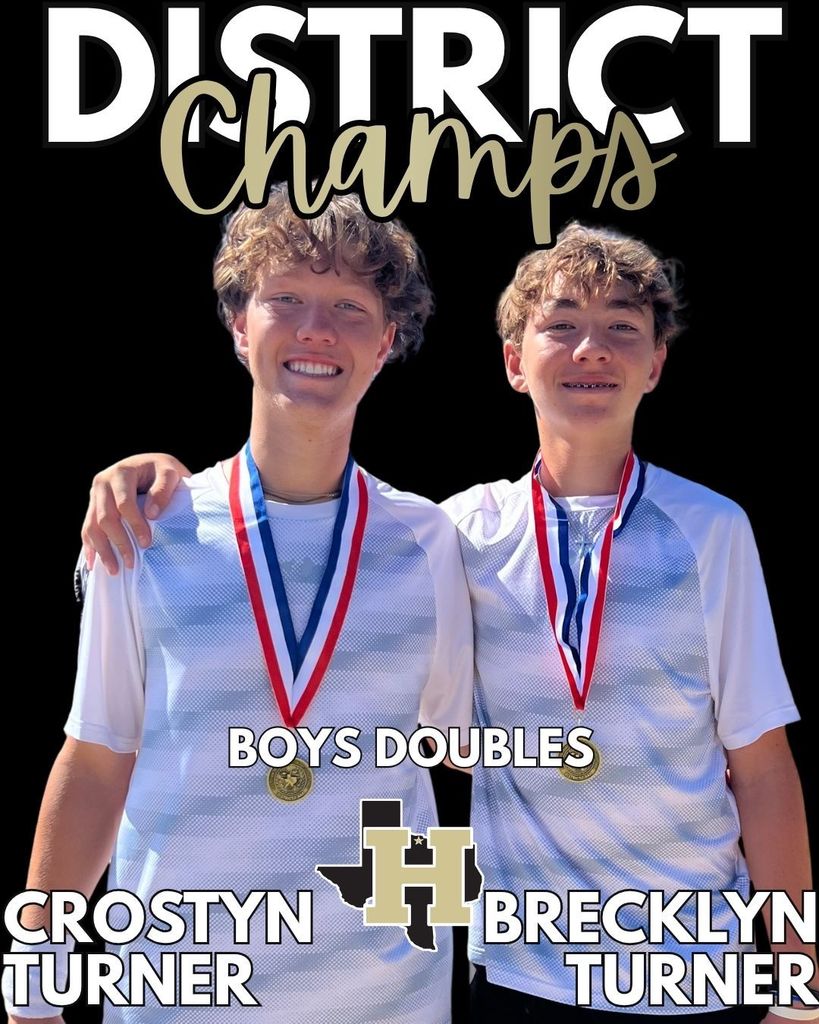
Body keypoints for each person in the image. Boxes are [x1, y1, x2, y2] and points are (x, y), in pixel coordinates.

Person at [64, 223, 815, 1022]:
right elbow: (430, 725)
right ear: (513, 362)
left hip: (692, 970)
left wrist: (796, 978)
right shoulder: (455, 532)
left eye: (621, 328)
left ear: (656, 364)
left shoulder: (705, 530)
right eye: (560, 324)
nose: (590, 349)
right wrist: (150, 475)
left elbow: (761, 764)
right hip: (522, 977)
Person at [2, 186, 473, 1024]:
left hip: (385, 997)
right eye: (285, 299)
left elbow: (475, 748)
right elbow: (99, 757)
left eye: (349, 306)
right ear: (238, 325)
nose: (315, 329)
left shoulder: (431, 541)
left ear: (384, 342)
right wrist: (37, 970)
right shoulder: (143, 528)